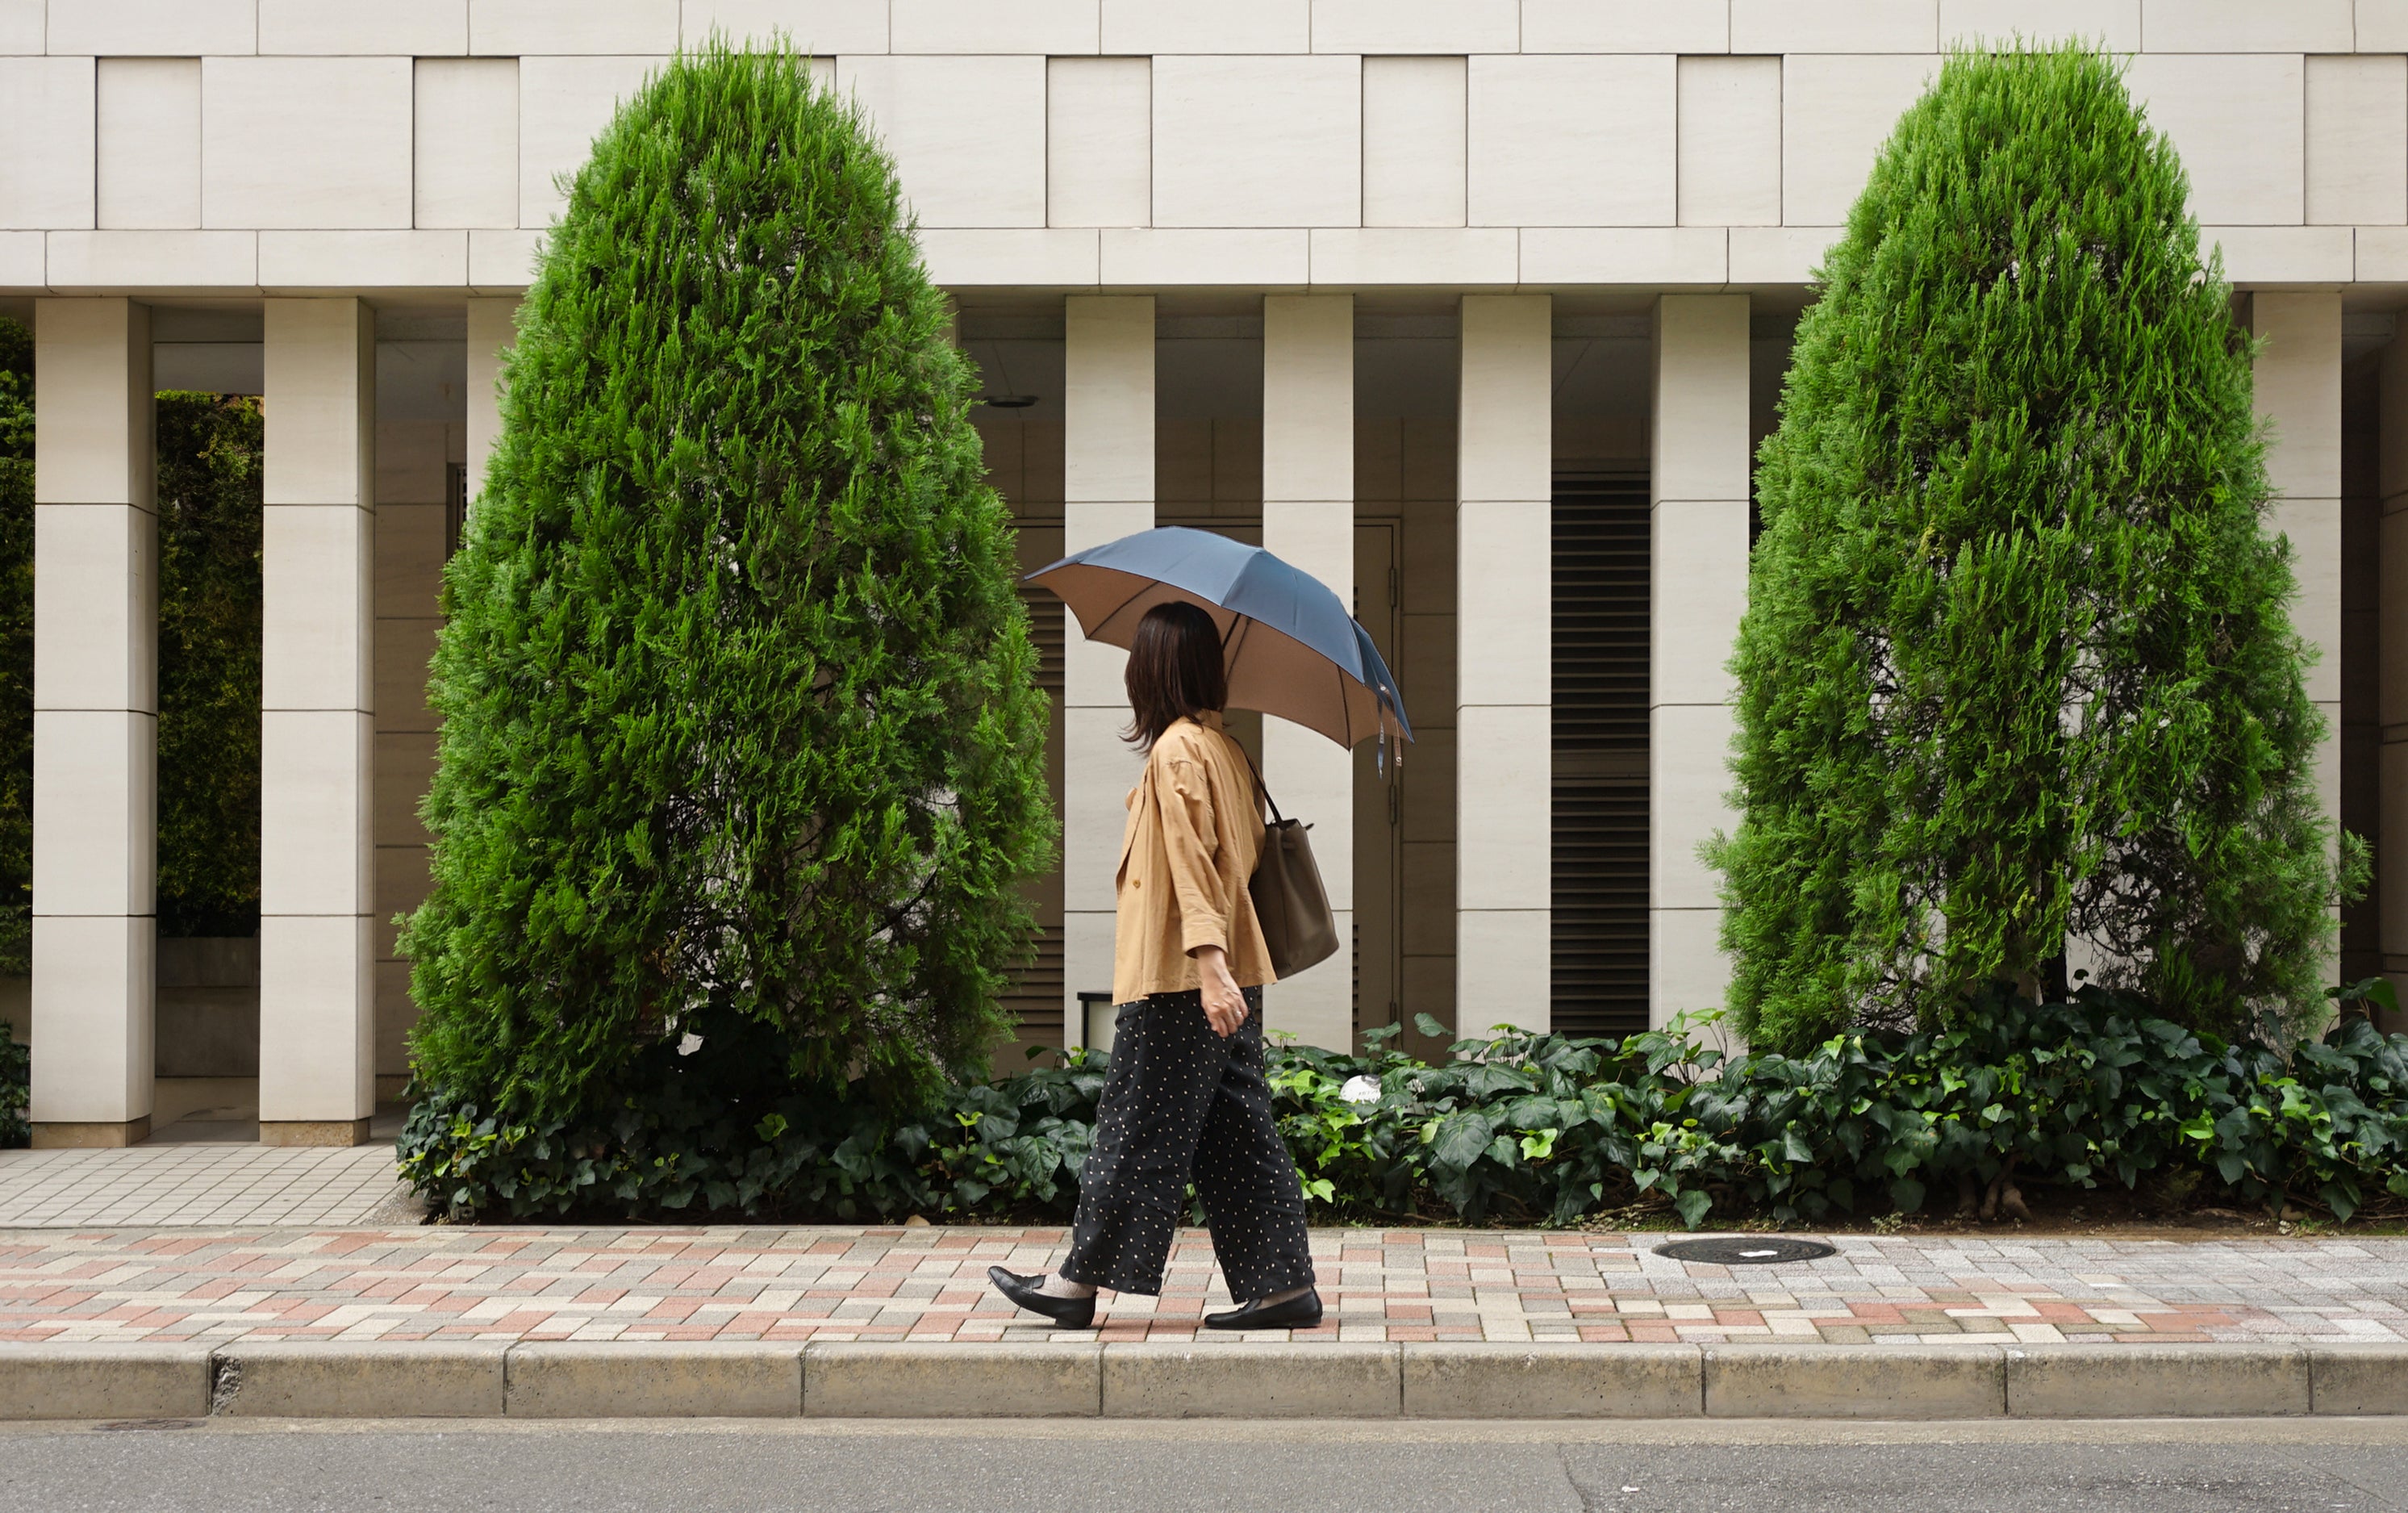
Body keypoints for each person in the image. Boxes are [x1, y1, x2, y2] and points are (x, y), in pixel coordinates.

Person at [989, 599, 1322, 1331]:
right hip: (1227, 974)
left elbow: (1194, 867)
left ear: (1155, 671)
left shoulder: (1177, 750)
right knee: (1236, 1133)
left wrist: (1207, 964)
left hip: (1185, 978)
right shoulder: (1226, 749)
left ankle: (1076, 1284)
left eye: (1137, 660)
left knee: (1135, 1124)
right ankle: (1281, 1287)